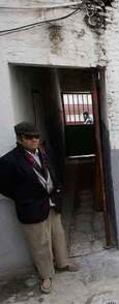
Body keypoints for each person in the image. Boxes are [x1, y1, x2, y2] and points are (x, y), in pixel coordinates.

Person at [0, 122, 78, 294]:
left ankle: (63, 262)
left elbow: (52, 172)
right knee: (40, 243)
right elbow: (4, 186)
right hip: (32, 208)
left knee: (58, 235)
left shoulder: (43, 152)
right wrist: (24, 198)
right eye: (29, 137)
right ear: (20, 139)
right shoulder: (9, 160)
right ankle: (46, 275)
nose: (35, 140)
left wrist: (57, 190)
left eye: (37, 136)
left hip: (51, 203)